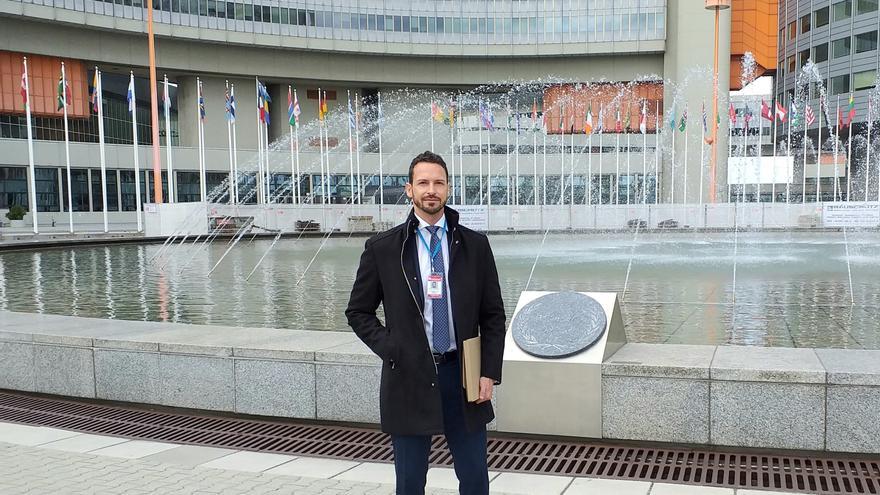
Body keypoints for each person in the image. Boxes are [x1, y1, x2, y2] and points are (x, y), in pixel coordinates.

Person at [345, 151, 506, 495]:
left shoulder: (475, 245)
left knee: (476, 479)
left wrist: (488, 372)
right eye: (423, 183)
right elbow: (357, 311)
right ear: (409, 189)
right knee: (410, 482)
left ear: (448, 188)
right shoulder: (384, 248)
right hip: (409, 377)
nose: (430, 190)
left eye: (438, 182)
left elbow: (492, 315)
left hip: (462, 377)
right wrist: (393, 348)